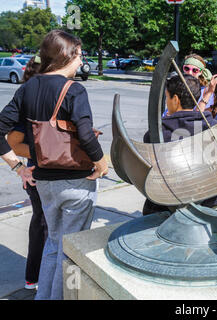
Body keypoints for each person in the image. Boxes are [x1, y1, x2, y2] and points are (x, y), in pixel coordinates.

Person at [0, 30, 108, 300]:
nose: (81, 61)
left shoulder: (27, 87)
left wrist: (18, 167)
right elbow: (84, 133)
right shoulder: (75, 90)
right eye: (80, 55)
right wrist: (101, 162)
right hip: (75, 181)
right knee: (71, 250)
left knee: (53, 243)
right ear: (67, 56)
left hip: (43, 182)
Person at [142, 74, 217, 215]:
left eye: (167, 97)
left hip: (164, 209)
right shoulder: (213, 127)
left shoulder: (158, 133)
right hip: (206, 206)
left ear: (176, 99)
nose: (166, 102)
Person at [6, 55, 48, 291]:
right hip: (37, 175)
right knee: (42, 225)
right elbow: (12, 142)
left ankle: (38, 277)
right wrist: (39, 155)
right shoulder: (28, 99)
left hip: (42, 175)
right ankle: (35, 278)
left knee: (43, 224)